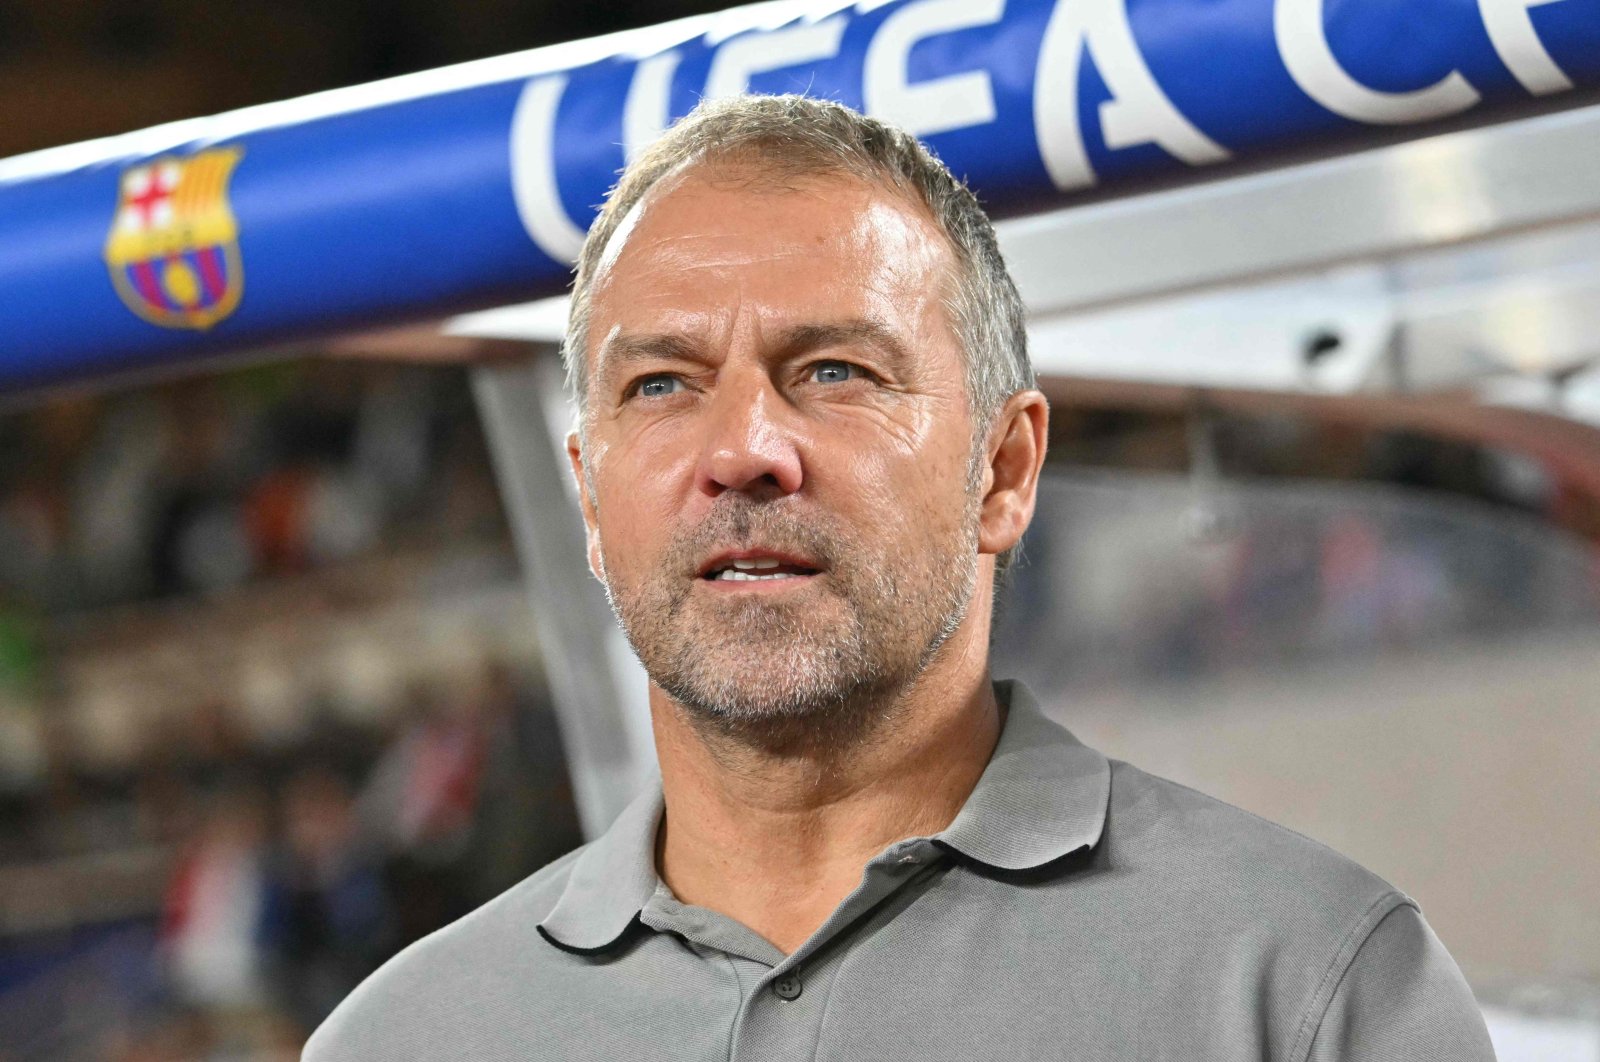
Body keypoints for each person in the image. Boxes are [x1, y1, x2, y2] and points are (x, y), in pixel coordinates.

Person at [305, 94, 1495, 1061]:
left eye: (831, 370)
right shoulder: (398, 1039)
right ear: (589, 496)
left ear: (1003, 469)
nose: (742, 451)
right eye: (661, 384)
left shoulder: (1303, 985)